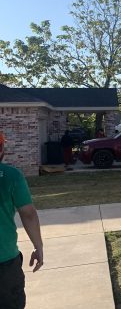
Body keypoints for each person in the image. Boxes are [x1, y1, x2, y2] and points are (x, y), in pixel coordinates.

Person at [0, 132, 44, 309]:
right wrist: (38, 247)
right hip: (4, 262)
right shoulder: (11, 176)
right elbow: (29, 214)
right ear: (2, 149)